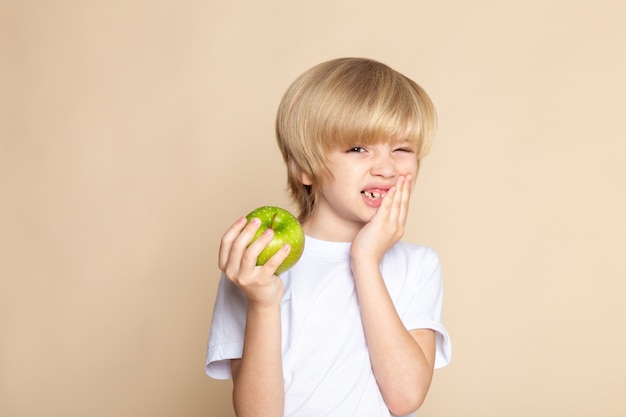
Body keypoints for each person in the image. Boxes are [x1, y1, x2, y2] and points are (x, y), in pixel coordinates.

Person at [205, 57, 451, 417]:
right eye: (358, 148)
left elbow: (405, 397)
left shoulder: (419, 265)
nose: (386, 168)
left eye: (402, 149)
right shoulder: (256, 264)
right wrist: (262, 303)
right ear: (304, 167)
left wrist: (365, 260)